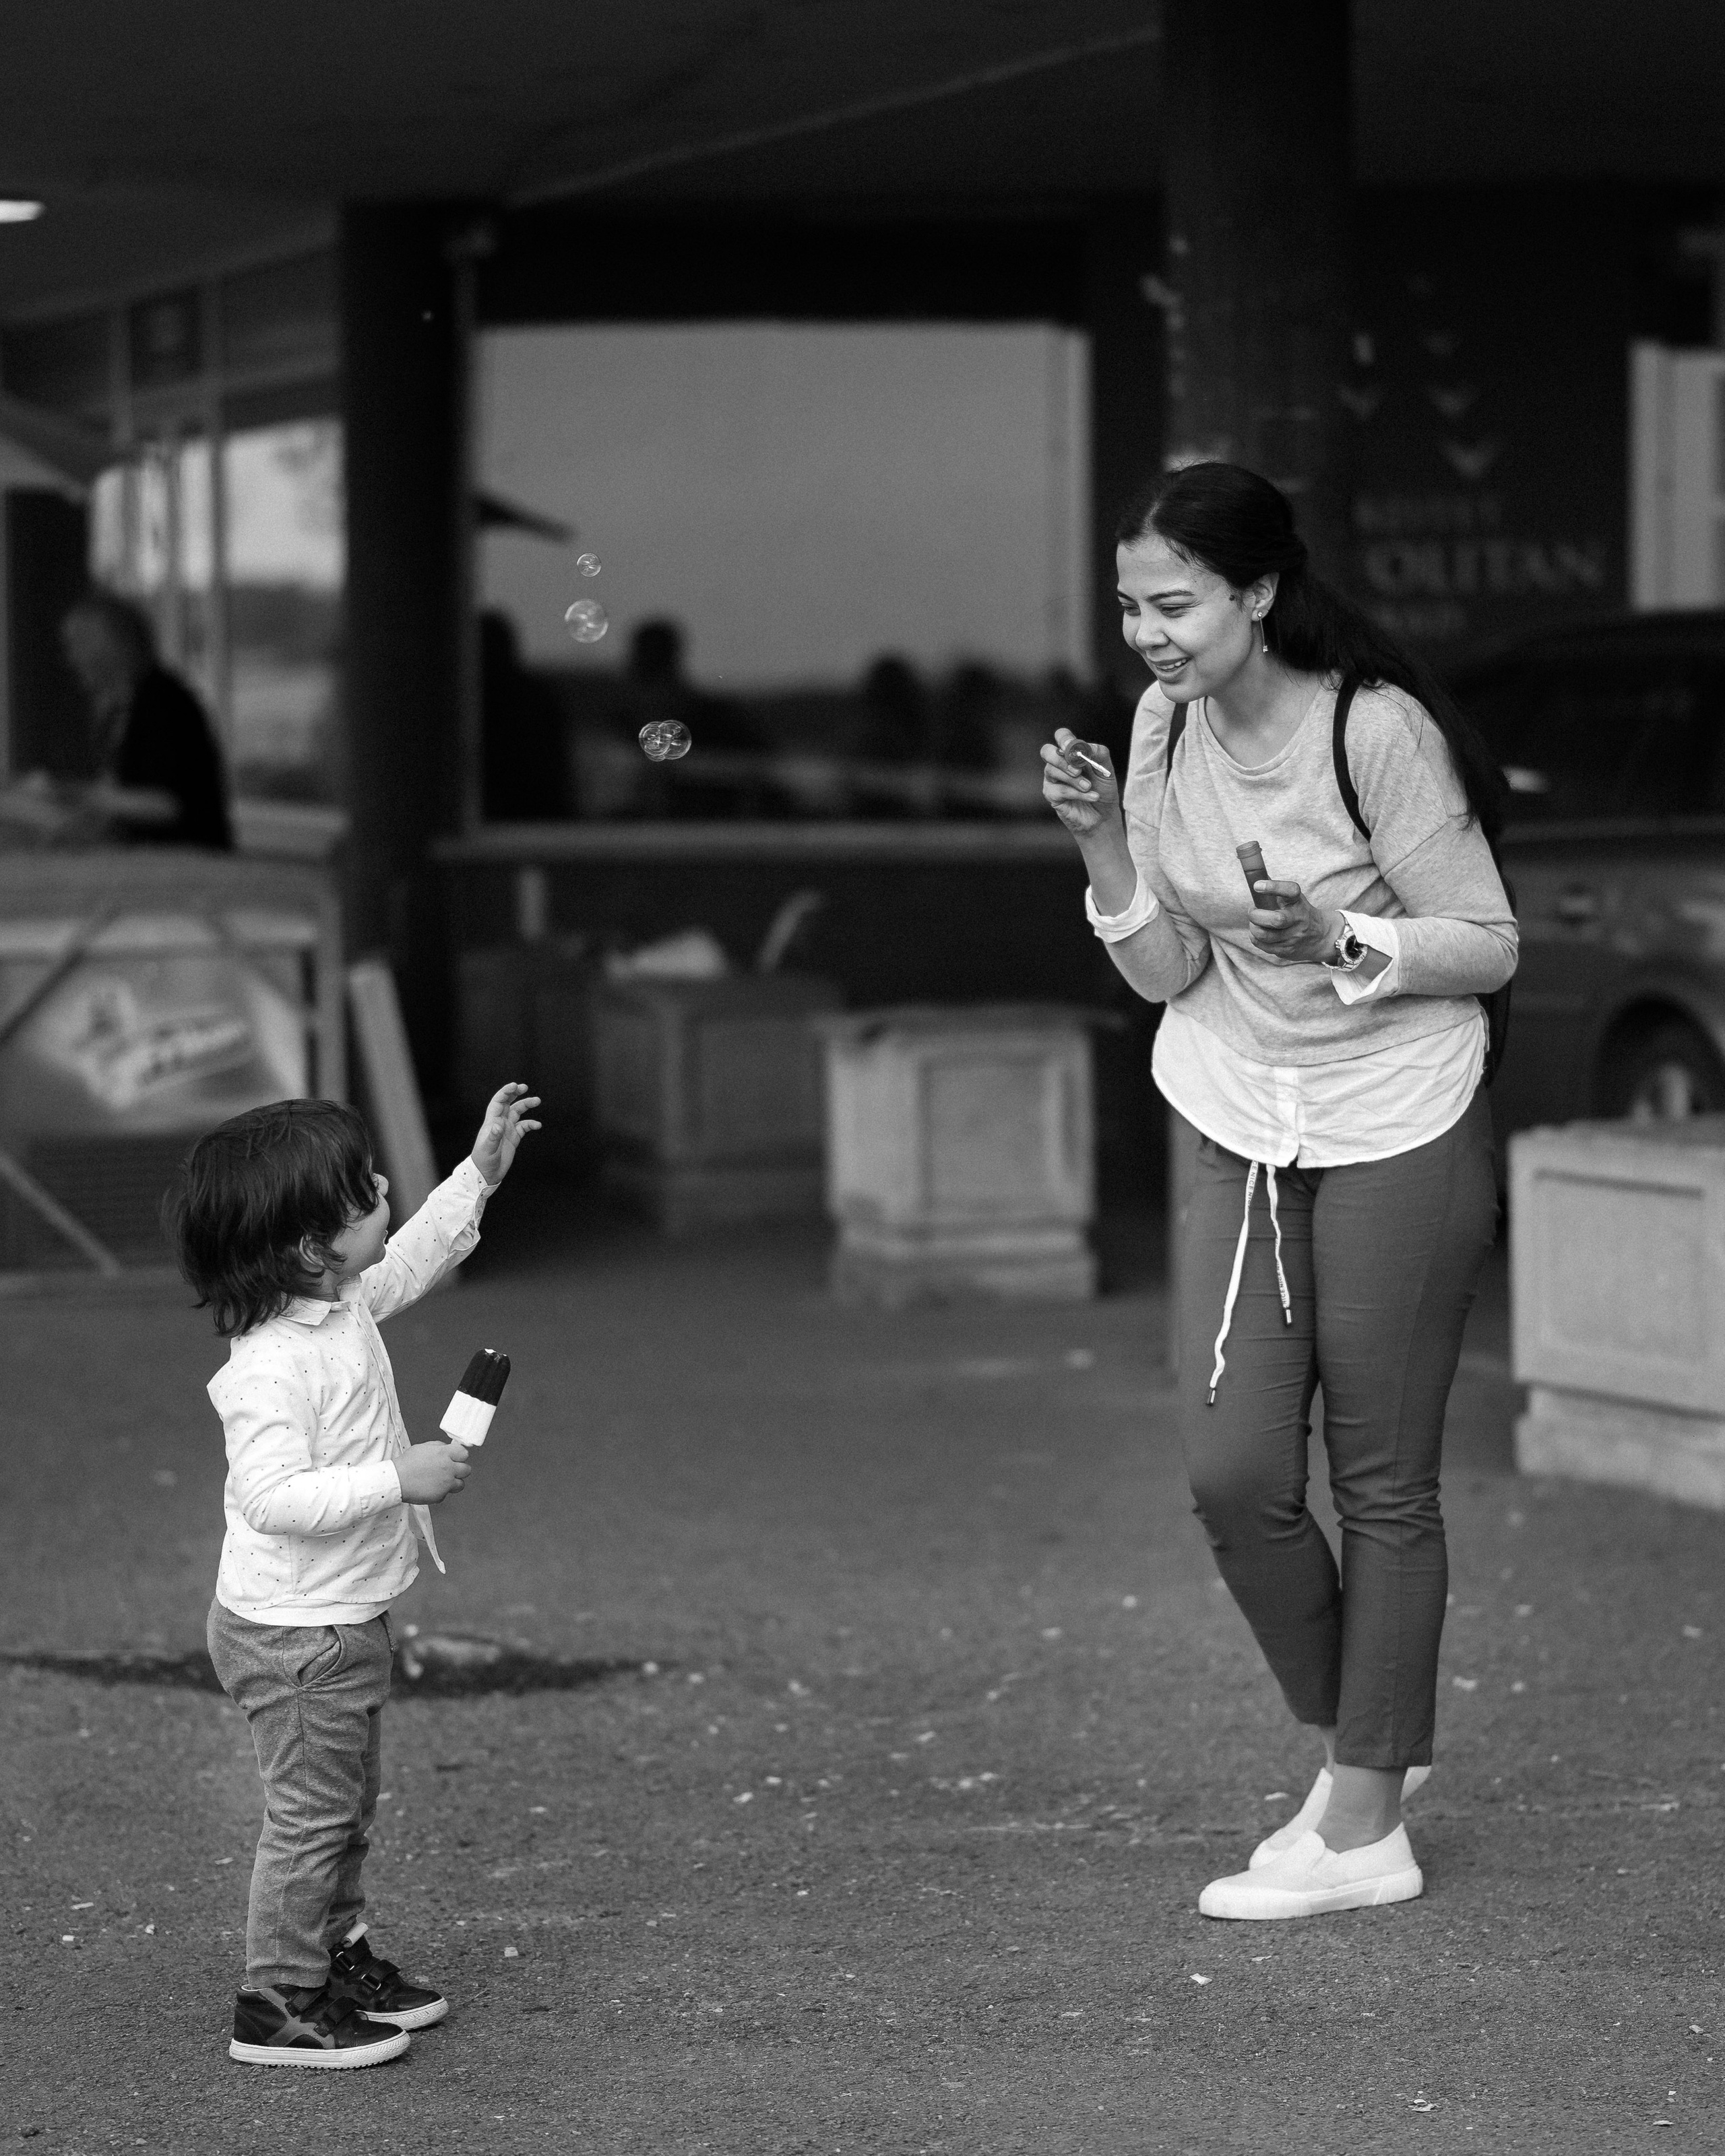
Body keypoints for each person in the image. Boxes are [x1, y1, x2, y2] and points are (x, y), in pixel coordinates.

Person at [1041, 462, 1515, 1922]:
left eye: (1174, 604)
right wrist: (1103, 844)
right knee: (1234, 1473)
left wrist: (1340, 933)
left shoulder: (1373, 730)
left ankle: (1364, 1824)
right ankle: (1369, 1742)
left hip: (1397, 1112)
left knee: (1381, 1482)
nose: (1147, 634)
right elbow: (1170, 970)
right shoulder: (1161, 726)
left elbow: (1487, 940)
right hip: (1237, 1110)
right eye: (1130, 605)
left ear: (1255, 592)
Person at [165, 1082, 540, 2066]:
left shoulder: (342, 1301)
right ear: (308, 1249)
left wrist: (478, 1175)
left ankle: (333, 1955)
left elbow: (411, 1256)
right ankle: (276, 1999)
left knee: (345, 1808)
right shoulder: (269, 1368)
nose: (382, 1189)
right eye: (363, 1190)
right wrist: (397, 1477)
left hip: (340, 1616)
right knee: (312, 1816)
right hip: (296, 1634)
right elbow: (271, 1498)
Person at [59, 592, 232, 849]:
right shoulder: (123, 707)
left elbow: (168, 806)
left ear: (117, 644)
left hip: (188, 860)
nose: (72, 658)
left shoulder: (164, 703)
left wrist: (72, 794)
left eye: (81, 642)